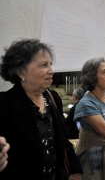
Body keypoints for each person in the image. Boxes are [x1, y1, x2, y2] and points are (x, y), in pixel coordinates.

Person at [0, 39, 82, 180]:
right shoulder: (4, 104)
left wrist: (75, 169)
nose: (51, 70)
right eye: (44, 65)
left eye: (50, 64)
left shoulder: (53, 98)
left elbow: (62, 139)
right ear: (21, 72)